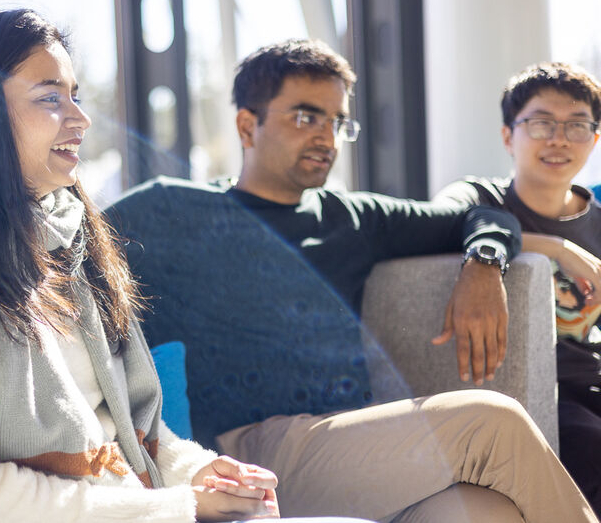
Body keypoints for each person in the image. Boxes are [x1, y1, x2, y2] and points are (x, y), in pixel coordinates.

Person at [0, 9, 332, 523]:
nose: (80, 118)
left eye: (74, 95)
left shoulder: (66, 240)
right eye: (50, 98)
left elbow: (125, 433)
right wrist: (182, 505)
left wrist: (199, 473)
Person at [106, 40, 598, 522]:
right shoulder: (174, 210)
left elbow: (479, 215)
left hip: (352, 444)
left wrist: (484, 264)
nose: (327, 136)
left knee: (488, 511)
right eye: (305, 116)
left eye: (338, 121)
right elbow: (66, 256)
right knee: (495, 422)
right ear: (247, 125)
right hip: (250, 448)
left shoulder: (354, 216)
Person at [436, 61, 601, 515]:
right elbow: (433, 228)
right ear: (509, 136)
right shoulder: (480, 198)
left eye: (577, 126)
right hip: (529, 392)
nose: (559, 139)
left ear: (595, 138)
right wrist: (555, 248)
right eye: (541, 123)